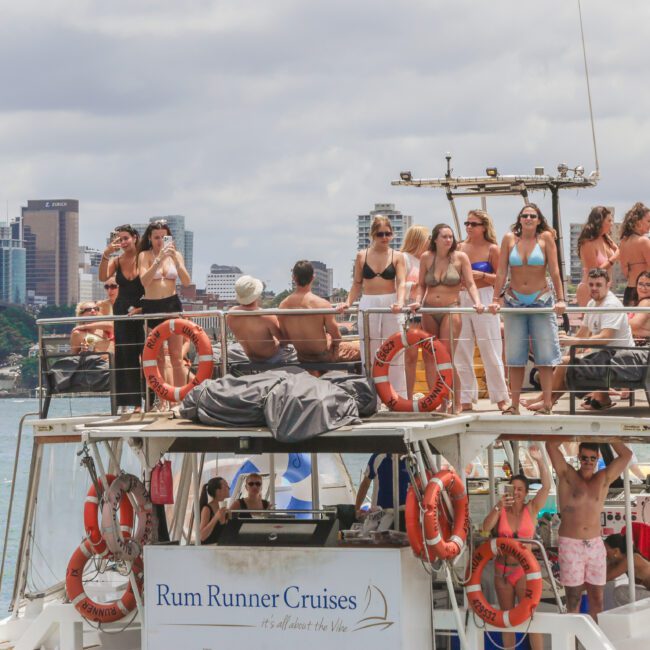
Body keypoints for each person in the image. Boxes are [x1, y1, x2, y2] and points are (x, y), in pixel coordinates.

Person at [489, 204, 565, 415]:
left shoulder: (546, 238)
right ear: (519, 219)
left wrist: (561, 299)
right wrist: (496, 298)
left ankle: (547, 403)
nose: (529, 219)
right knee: (515, 356)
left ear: (539, 219)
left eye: (532, 216)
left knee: (545, 355)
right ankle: (514, 405)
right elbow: (502, 271)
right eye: (525, 215)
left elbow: (555, 270)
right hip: (514, 301)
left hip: (540, 300)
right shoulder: (509, 239)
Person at [522, 268, 635, 412]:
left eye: (598, 285)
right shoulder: (592, 304)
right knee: (564, 361)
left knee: (565, 363)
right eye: (591, 284)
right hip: (604, 356)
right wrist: (568, 345)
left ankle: (547, 401)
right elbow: (582, 333)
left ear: (608, 285)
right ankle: (545, 399)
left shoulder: (611, 305)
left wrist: (573, 343)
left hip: (620, 358)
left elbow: (605, 338)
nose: (594, 288)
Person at [546, 440, 632, 619]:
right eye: (584, 458)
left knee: (597, 599)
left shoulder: (603, 479)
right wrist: (573, 432)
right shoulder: (567, 475)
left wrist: (610, 436)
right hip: (571, 544)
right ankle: (572, 645)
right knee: (573, 599)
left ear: (597, 458)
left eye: (592, 458)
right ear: (578, 457)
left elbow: (626, 455)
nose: (588, 462)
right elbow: (550, 445)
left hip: (595, 544)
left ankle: (594, 645)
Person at [481, 444, 550, 650]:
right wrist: (498, 505)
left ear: (526, 492)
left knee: (530, 618)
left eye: (520, 489)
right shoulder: (500, 510)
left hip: (524, 572)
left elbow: (546, 487)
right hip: (502, 572)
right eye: (513, 489)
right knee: (507, 620)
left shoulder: (532, 508)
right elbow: (485, 529)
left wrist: (539, 461)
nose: (517, 493)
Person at [410, 223, 484, 411]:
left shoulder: (460, 257)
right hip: (428, 310)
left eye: (451, 236)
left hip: (451, 309)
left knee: (447, 357)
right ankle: (438, 400)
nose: (448, 240)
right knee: (431, 358)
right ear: (435, 239)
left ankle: (456, 401)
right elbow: (421, 285)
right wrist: (417, 301)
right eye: (444, 236)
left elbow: (470, 283)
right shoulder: (427, 257)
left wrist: (477, 302)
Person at [340, 216, 407, 397]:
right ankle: (371, 396)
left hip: (391, 301)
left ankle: (397, 395)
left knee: (394, 348)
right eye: (380, 234)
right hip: (368, 301)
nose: (384, 237)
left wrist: (400, 302)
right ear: (373, 235)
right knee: (369, 349)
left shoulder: (398, 256)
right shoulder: (362, 256)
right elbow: (356, 283)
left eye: (388, 233)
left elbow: (401, 282)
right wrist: (348, 302)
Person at [456, 210, 510, 412]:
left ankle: (501, 397)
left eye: (473, 224)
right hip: (461, 299)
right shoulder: (459, 247)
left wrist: (480, 275)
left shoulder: (492, 249)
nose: (469, 227)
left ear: (484, 227)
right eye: (467, 223)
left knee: (491, 349)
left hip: (485, 297)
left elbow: (501, 278)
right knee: (461, 350)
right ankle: (465, 398)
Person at [137, 221, 192, 398]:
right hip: (152, 306)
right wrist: (158, 259)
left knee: (176, 356)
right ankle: (162, 399)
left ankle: (179, 398)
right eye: (156, 237)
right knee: (159, 356)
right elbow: (144, 281)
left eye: (164, 237)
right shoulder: (144, 255)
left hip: (171, 304)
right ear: (150, 239)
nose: (160, 241)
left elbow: (186, 281)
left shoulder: (176, 255)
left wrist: (176, 260)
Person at [100, 225, 145, 413]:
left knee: (146, 355)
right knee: (126, 357)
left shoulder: (145, 256)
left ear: (135, 237)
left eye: (126, 238)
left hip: (143, 308)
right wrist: (106, 254)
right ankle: (133, 403)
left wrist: (142, 308)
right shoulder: (117, 260)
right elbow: (103, 276)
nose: (123, 242)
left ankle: (151, 399)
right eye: (119, 239)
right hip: (122, 310)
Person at [280, 260, 360, 363]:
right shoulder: (322, 305)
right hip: (323, 356)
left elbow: (285, 338)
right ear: (313, 278)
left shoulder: (283, 305)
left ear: (293, 278)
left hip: (302, 356)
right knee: (362, 348)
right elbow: (337, 337)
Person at [400, 225, 431, 398]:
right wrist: (417, 285)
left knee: (429, 355)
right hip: (409, 313)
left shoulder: (427, 259)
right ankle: (408, 396)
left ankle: (432, 394)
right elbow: (398, 286)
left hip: (426, 311)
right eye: (427, 238)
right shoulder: (405, 258)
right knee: (410, 357)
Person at [226, 275, 287, 362]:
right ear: (257, 295)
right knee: (295, 349)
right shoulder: (266, 316)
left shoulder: (231, 314)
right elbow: (283, 341)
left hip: (252, 358)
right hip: (272, 358)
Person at [575, 207, 619, 306]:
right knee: (590, 321)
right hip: (590, 288)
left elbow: (618, 251)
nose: (612, 223)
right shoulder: (587, 242)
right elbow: (594, 272)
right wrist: (613, 259)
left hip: (604, 289)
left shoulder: (605, 238)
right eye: (609, 220)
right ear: (600, 221)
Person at [354, 453, 409, 528]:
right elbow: (365, 483)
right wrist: (357, 509)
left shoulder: (412, 460)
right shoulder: (378, 457)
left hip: (404, 512)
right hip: (379, 513)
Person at [70, 282, 117, 354]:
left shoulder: (105, 329)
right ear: (81, 315)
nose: (93, 311)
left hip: (115, 362)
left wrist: (84, 326)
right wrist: (82, 352)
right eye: (88, 309)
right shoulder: (78, 333)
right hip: (96, 363)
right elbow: (73, 355)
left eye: (96, 309)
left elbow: (111, 326)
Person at [618, 202, 650, 306]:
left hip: (629, 291)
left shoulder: (623, 242)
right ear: (638, 222)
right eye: (648, 221)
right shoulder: (644, 241)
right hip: (644, 292)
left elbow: (625, 271)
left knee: (630, 321)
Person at [605, 533, 650, 606]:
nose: (603, 553)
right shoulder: (620, 561)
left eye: (605, 550)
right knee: (621, 590)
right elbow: (603, 575)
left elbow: (606, 577)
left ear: (616, 551)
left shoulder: (632, 558)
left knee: (620, 592)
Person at [199, 476, 231, 544]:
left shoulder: (226, 509)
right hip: (208, 549)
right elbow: (202, 536)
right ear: (218, 491)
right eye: (226, 486)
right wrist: (215, 518)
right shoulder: (207, 509)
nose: (229, 488)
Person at [630, 271, 650, 342]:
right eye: (640, 284)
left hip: (642, 347)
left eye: (648, 285)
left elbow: (634, 324)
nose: (643, 288)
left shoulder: (646, 302)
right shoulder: (638, 302)